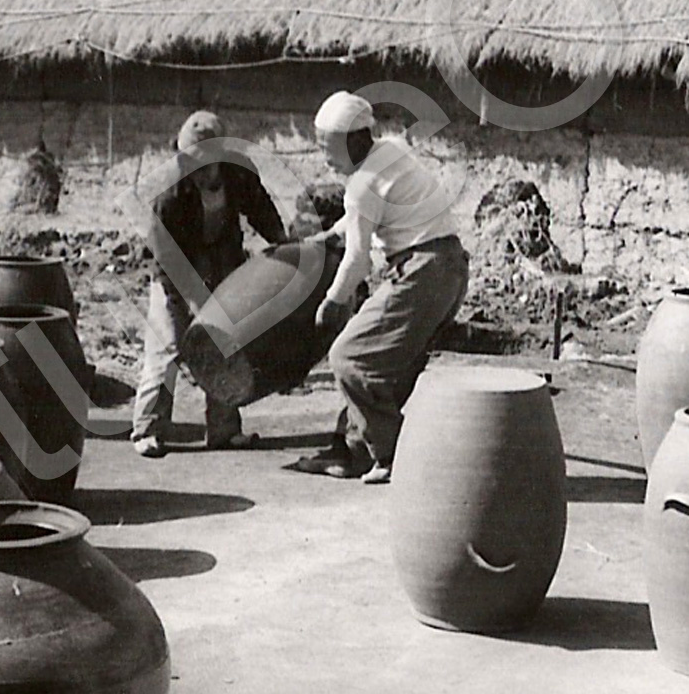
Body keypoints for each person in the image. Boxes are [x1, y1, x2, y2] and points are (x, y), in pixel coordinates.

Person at [294, 90, 469, 484]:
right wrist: (329, 236)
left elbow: (358, 258)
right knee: (390, 363)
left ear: (358, 139)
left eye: (331, 147)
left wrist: (333, 301)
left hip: (423, 273)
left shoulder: (361, 184)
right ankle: (354, 450)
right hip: (451, 268)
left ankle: (393, 454)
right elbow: (364, 216)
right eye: (321, 146)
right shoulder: (391, 149)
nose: (325, 157)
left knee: (349, 357)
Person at [131, 110, 287, 458]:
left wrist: (282, 240)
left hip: (222, 263)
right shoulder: (170, 191)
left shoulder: (238, 173)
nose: (197, 170)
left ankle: (224, 430)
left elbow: (260, 209)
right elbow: (166, 256)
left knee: (223, 344)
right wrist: (192, 300)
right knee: (168, 346)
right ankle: (148, 429)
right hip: (176, 270)